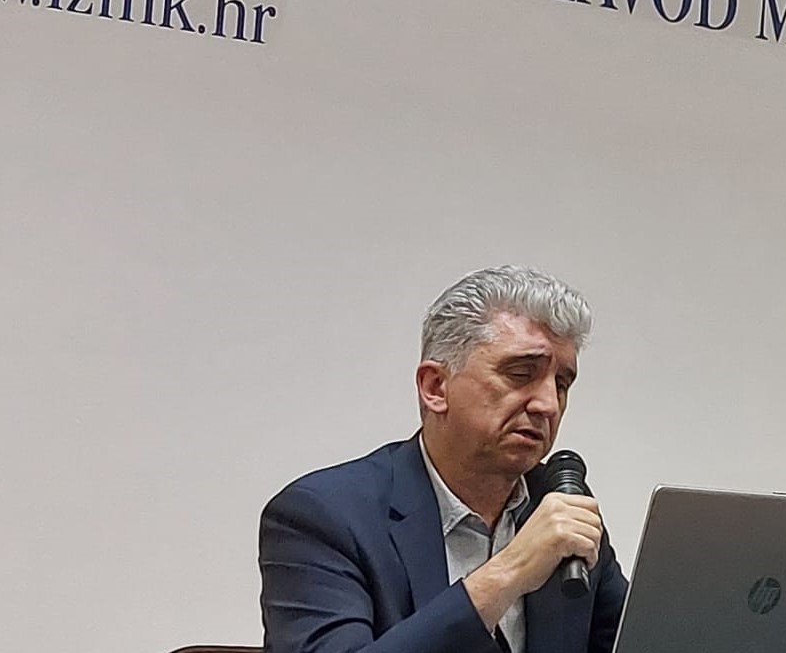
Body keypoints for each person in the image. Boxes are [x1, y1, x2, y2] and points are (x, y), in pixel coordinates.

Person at [259, 265, 626, 653]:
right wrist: (512, 569)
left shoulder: (558, 508)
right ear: (435, 387)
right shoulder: (323, 516)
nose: (548, 404)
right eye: (521, 374)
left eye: (561, 384)